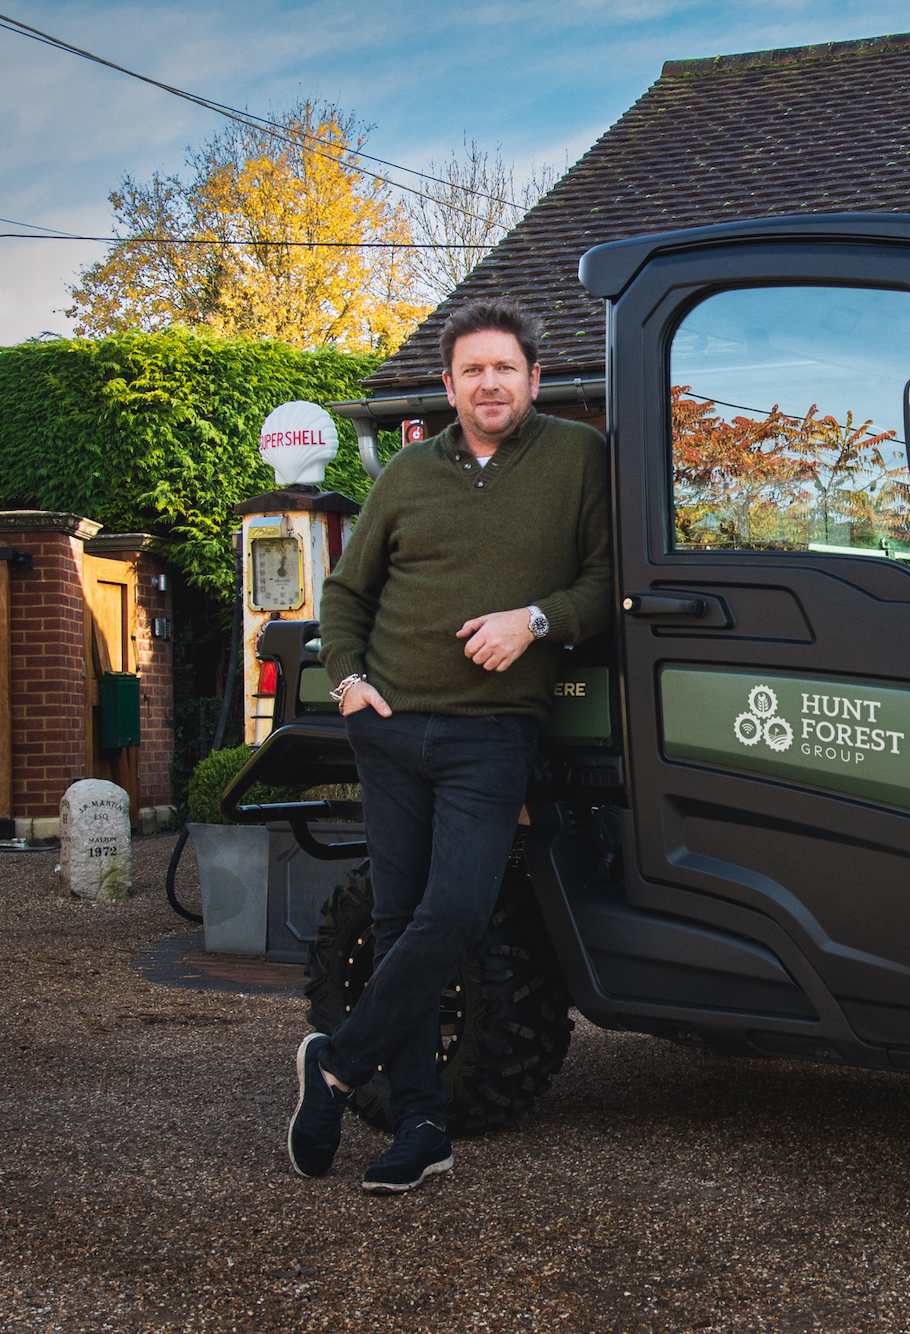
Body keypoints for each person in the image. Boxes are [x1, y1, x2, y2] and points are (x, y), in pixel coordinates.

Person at [287, 295, 612, 1192]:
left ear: (535, 378)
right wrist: (350, 685)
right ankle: (422, 1121)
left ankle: (339, 1063)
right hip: (389, 728)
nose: (490, 383)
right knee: (397, 921)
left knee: (456, 912)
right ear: (449, 384)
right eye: (473, 370)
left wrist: (536, 620)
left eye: (505, 367)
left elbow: (605, 579)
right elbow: (348, 593)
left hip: (491, 731)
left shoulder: (579, 459)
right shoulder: (407, 474)